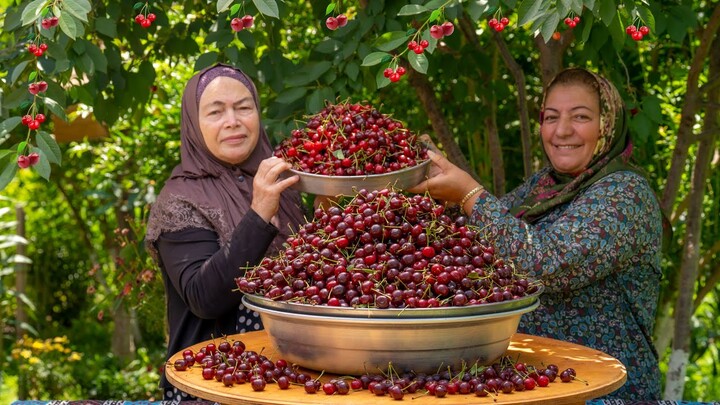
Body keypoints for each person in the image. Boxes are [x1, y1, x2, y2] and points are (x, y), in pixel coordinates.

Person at [409, 67, 669, 400]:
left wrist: (468, 193)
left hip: (604, 392)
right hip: (537, 385)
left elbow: (544, 265)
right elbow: (479, 241)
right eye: (550, 117)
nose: (562, 131)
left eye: (580, 117)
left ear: (608, 123)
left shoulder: (626, 194)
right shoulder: (544, 187)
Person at [144, 63, 307, 401]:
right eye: (215, 112)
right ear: (194, 124)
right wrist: (258, 214)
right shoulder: (180, 199)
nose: (233, 121)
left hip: (289, 380)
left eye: (243, 107)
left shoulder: (284, 185)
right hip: (216, 384)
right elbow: (204, 298)